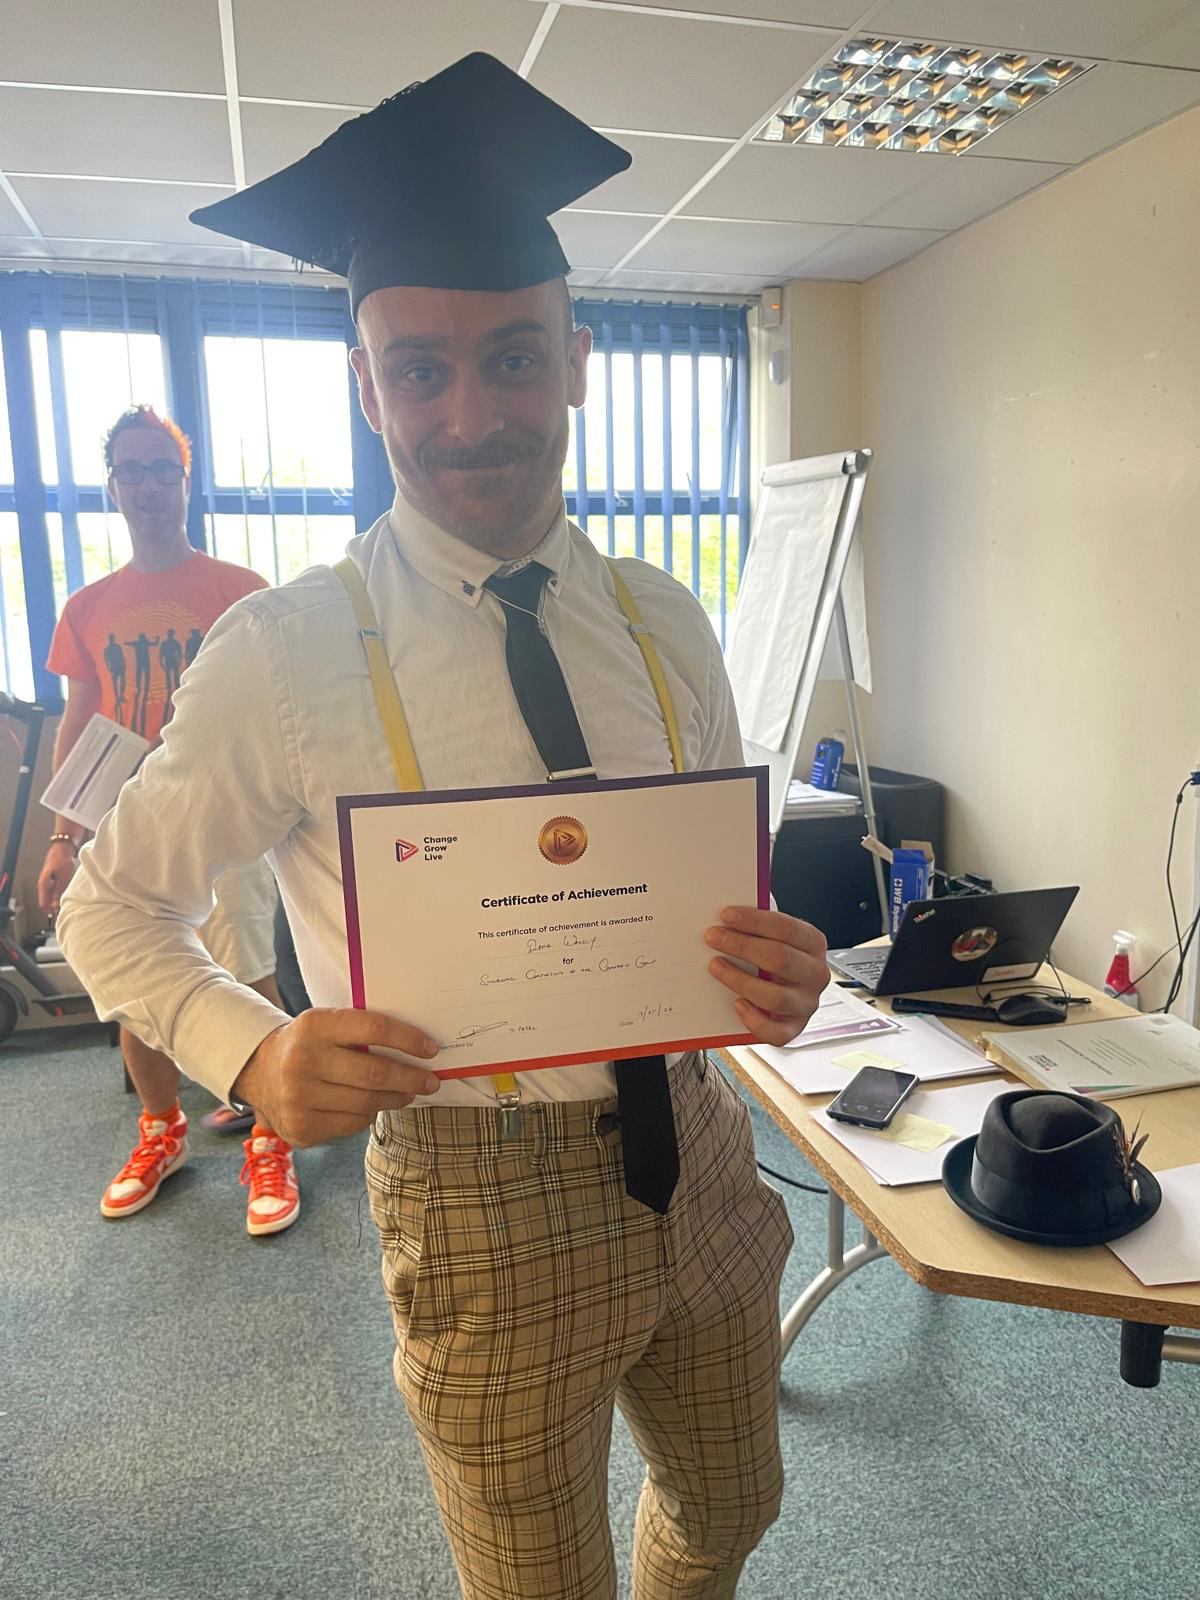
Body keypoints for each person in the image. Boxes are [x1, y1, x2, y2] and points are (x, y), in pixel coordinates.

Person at [58, 55, 829, 1598]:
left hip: (705, 1144)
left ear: (577, 362)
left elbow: (703, 897)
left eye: (511, 360)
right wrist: (255, 1054)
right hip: (480, 1199)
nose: (468, 415)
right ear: (365, 386)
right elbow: (110, 906)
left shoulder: (669, 620)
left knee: (735, 1505)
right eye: (420, 369)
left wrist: (777, 966)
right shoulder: (283, 652)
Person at [41, 404, 300, 1237]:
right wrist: (60, 839)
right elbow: (81, 724)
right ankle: (162, 1130)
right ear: (112, 487)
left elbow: (283, 714)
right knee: (135, 985)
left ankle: (273, 1135)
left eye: (165, 469)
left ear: (187, 483)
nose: (149, 484)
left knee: (249, 969)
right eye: (133, 470)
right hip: (130, 822)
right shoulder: (88, 606)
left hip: (229, 821)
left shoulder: (242, 595)